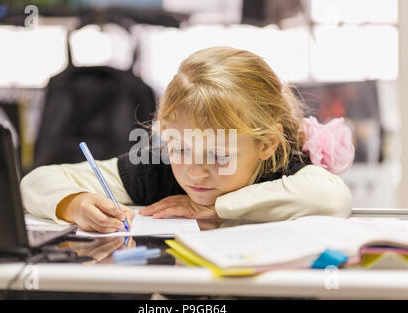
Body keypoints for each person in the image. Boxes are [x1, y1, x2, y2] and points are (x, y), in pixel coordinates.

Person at [20, 46, 354, 234]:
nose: (194, 173)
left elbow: (333, 198)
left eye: (218, 156)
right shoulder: (160, 164)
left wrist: (213, 208)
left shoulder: (285, 161)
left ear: (266, 144)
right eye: (180, 148)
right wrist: (74, 203)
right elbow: (37, 181)